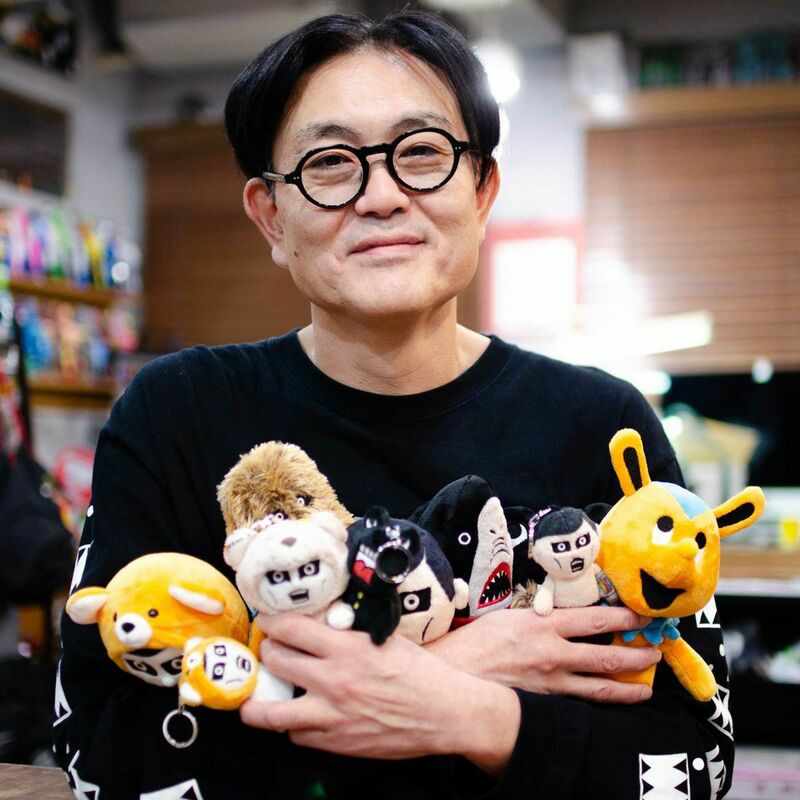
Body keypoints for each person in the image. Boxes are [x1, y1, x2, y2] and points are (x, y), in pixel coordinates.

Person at [54, 10, 733, 800]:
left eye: (421, 153)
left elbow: (696, 760)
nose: (381, 196)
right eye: (330, 163)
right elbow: (99, 752)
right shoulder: (176, 414)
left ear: (482, 191)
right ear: (271, 215)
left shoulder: (602, 425)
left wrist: (476, 716)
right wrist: (437, 671)